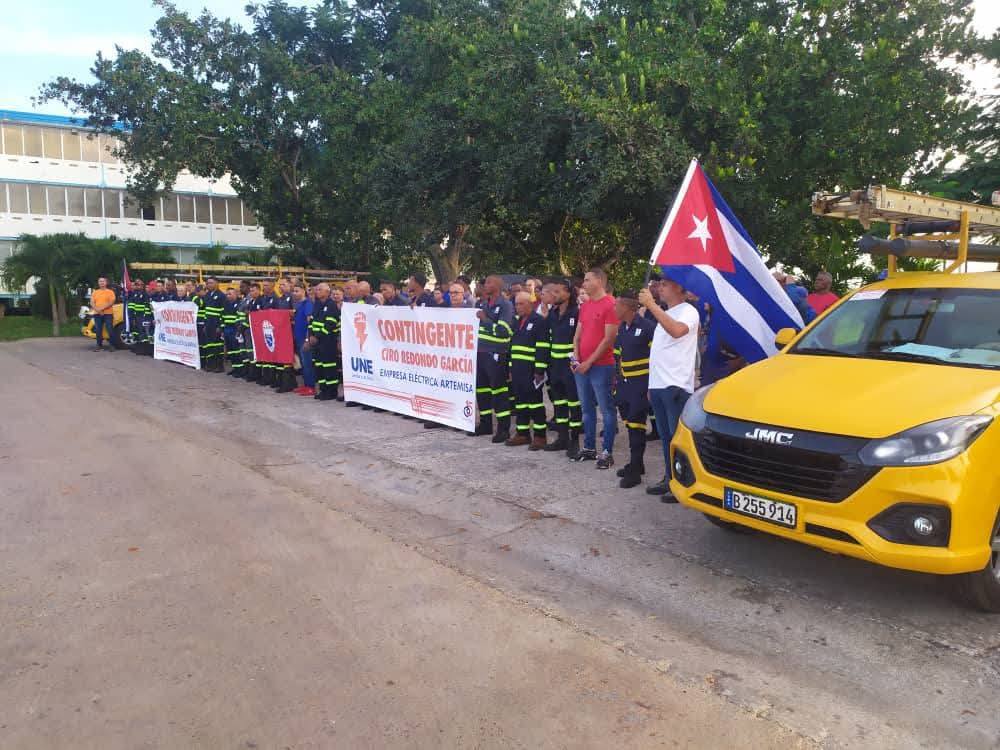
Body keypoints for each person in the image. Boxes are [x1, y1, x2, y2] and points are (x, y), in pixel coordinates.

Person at [637, 277, 700, 503]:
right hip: (659, 385)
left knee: (677, 439)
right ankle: (670, 477)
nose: (659, 288)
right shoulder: (665, 311)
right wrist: (651, 384)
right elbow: (659, 353)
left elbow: (676, 331)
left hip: (675, 385)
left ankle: (682, 482)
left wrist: (652, 306)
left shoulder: (688, 311)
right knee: (666, 437)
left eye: (665, 284)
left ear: (679, 287)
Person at [572, 268, 618, 469]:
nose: (584, 284)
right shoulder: (586, 305)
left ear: (599, 281)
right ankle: (589, 448)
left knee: (606, 409)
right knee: (587, 409)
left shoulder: (611, 305)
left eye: (587, 280)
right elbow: (578, 334)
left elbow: (608, 339)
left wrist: (588, 362)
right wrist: (575, 356)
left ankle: (607, 452)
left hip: (601, 366)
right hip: (582, 365)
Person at [612, 291, 656, 488]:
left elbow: (657, 358)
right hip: (625, 384)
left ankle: (636, 469)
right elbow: (618, 355)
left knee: (638, 425)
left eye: (617, 305)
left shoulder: (647, 327)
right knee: (629, 423)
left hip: (641, 384)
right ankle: (636, 463)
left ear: (628, 308)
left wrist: (651, 385)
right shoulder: (622, 328)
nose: (614, 309)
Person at [505, 291, 550, 449]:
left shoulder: (539, 322)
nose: (518, 307)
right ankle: (522, 433)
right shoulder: (517, 322)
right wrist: (510, 367)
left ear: (530, 304)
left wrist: (539, 370)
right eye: (516, 304)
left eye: (521, 303)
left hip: (532, 370)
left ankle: (540, 436)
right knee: (520, 403)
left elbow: (543, 347)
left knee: (535, 404)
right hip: (517, 369)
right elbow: (511, 346)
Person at [473, 275, 515, 441]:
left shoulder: (506, 305)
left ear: (497, 286)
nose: (485, 284)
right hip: (480, 353)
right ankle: (485, 424)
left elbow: (505, 332)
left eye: (489, 282)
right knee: (481, 390)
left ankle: (503, 429)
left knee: (499, 391)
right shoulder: (483, 304)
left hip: (496, 354)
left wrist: (485, 320)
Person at [544, 279, 582, 456]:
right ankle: (562, 437)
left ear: (568, 293)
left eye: (558, 292)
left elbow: (579, 341)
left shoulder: (577, 313)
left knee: (574, 403)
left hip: (570, 366)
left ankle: (574, 441)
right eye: (553, 292)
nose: (554, 295)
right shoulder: (553, 313)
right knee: (559, 403)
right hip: (555, 365)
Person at [308, 282, 341, 401]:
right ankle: (323, 390)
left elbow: (330, 324)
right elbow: (311, 321)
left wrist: (317, 336)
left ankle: (331, 392)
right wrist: (310, 336)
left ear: (327, 292)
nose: (317, 291)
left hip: (328, 342)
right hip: (316, 343)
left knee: (329, 367)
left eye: (320, 289)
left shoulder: (331, 305)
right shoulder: (317, 305)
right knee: (319, 367)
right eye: (316, 289)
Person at [292, 281, 316, 396]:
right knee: (303, 363)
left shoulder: (308, 304)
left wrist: (307, 339)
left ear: (303, 291)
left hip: (304, 339)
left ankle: (311, 386)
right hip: (298, 338)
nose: (294, 293)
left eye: (297, 291)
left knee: (307, 363)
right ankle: (306, 385)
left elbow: (309, 323)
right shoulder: (298, 305)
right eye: (294, 291)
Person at [201, 277, 226, 372]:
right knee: (209, 346)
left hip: (216, 325)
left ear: (217, 283)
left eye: (211, 283)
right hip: (208, 325)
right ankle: (211, 365)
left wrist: (220, 326)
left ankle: (219, 366)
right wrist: (204, 324)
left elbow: (223, 312)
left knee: (218, 346)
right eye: (208, 283)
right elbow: (205, 311)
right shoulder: (207, 295)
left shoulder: (221, 296)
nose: (209, 285)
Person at [221, 287, 245, 377]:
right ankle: (235, 368)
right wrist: (222, 328)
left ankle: (240, 370)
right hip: (227, 329)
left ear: (236, 294)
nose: (228, 296)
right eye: (227, 294)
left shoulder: (239, 303)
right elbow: (222, 316)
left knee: (237, 350)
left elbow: (240, 317)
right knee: (230, 351)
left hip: (235, 329)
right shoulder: (226, 303)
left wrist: (238, 330)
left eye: (230, 294)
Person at [125, 278, 150, 355]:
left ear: (142, 286)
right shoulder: (134, 293)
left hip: (142, 316)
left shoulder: (145, 294)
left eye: (139, 284)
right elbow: (132, 305)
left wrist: (146, 316)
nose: (137, 286)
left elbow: (147, 305)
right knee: (136, 332)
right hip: (135, 316)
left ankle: (143, 350)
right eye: (136, 284)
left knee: (142, 332)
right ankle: (137, 347)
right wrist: (131, 315)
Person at [90, 276, 116, 351]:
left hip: (108, 314)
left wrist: (101, 309)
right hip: (97, 314)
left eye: (103, 281)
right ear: (98, 283)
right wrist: (97, 310)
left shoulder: (110, 292)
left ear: (106, 282)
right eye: (100, 281)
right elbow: (92, 302)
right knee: (98, 330)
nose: (101, 283)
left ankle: (112, 345)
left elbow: (111, 302)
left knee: (110, 329)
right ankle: (99, 345)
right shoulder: (95, 292)